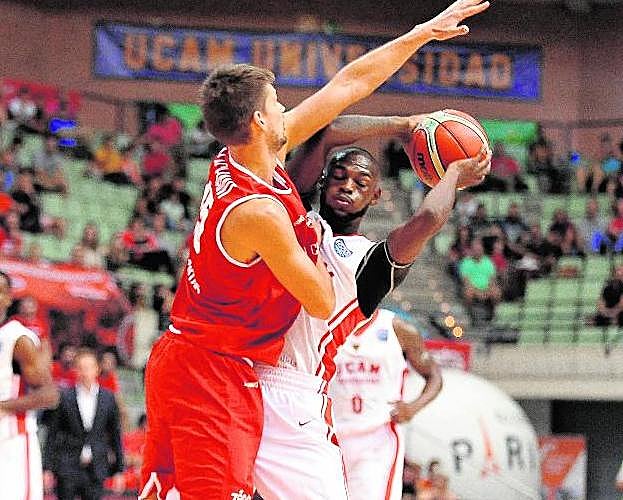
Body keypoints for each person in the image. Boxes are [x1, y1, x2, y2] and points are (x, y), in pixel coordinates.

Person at [140, 2, 490, 499]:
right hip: (216, 370)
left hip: (215, 362)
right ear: (259, 120)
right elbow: (323, 299)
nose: (286, 109)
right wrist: (450, 174)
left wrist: (419, 40)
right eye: (277, 103)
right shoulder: (262, 213)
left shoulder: (245, 159)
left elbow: (345, 88)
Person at [253, 114, 490, 498]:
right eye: (339, 177)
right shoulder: (295, 216)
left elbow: (428, 218)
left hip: (298, 390)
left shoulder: (369, 264)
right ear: (323, 181)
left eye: (361, 182)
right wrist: (402, 125)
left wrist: (452, 175)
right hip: (243, 374)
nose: (347, 186)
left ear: (376, 196)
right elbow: (326, 132)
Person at [329, 309, 442, 500]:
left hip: (377, 437)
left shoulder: (397, 328)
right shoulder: (327, 322)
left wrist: (413, 407)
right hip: (330, 435)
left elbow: (434, 376)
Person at [0, 270, 59, 500]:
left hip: (11, 442)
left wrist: (4, 406)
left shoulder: (16, 338)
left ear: (8, 298)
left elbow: (50, 395)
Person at [43, 348, 124, 500]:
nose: (85, 372)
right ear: (75, 370)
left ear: (97, 369)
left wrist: (119, 470)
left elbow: (115, 434)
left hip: (96, 467)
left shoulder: (108, 398)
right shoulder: (65, 397)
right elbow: (52, 434)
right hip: (68, 466)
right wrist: (47, 467)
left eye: (88, 367)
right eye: (81, 368)